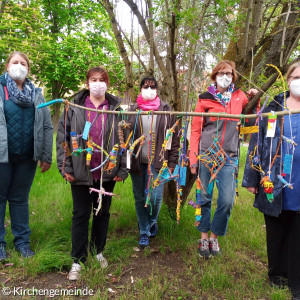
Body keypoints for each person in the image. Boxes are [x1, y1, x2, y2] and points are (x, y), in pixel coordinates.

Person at [56, 66, 128, 281]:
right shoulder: (74, 107)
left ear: (107, 83)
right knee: (80, 214)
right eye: (93, 79)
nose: (98, 83)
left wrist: (122, 168)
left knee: (102, 214)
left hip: (107, 172)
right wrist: (65, 166)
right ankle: (77, 259)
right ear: (87, 83)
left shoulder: (117, 110)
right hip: (80, 171)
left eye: (102, 79)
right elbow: (64, 139)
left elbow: (125, 141)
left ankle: (97, 251)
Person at [243, 62, 300, 299]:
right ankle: (276, 273)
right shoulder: (274, 106)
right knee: (275, 228)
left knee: (298, 232)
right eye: (296, 76)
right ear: (287, 79)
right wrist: (252, 177)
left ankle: (296, 281)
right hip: (272, 178)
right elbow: (257, 142)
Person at [189, 60, 258, 258]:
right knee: (204, 198)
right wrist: (193, 158)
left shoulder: (240, 96)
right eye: (220, 73)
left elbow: (252, 117)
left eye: (228, 73)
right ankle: (203, 237)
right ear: (214, 76)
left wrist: (255, 98)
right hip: (206, 155)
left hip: (229, 156)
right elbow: (195, 130)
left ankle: (214, 237)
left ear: (234, 76)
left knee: (227, 200)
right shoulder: (204, 98)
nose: (224, 76)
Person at [0, 51, 53, 260]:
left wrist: (46, 155)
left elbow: (47, 126)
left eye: (23, 63)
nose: (19, 66)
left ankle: (22, 243)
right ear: (7, 66)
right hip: (2, 157)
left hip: (27, 157)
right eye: (15, 62)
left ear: (28, 69)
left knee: (20, 199)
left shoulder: (37, 94)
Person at [127, 77, 179, 248]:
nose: (149, 89)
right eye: (145, 86)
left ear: (157, 89)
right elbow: (125, 137)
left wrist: (172, 163)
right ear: (140, 89)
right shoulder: (133, 110)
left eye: (152, 86)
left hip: (158, 163)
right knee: (140, 197)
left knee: (156, 198)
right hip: (137, 162)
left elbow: (175, 138)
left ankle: (152, 221)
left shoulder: (165, 110)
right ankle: (143, 231)